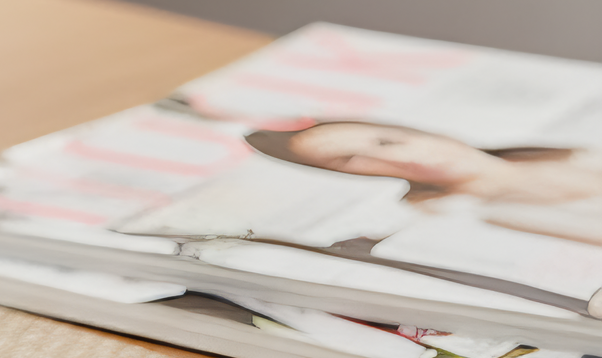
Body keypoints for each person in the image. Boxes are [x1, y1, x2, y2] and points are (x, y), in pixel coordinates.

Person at [246, 121, 602, 316]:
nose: (402, 159)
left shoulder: (576, 146)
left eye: (386, 142)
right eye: (350, 160)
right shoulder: (465, 221)